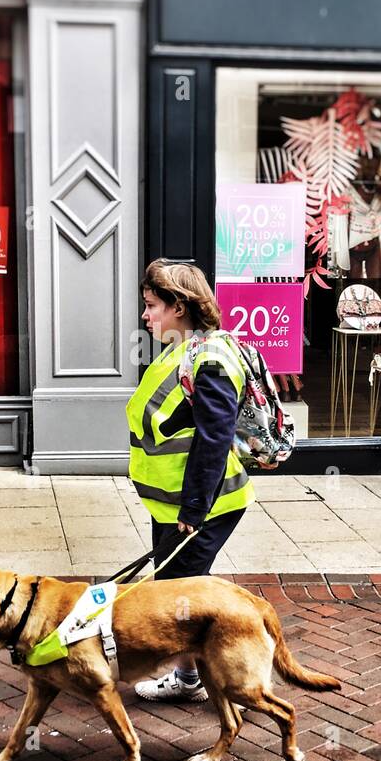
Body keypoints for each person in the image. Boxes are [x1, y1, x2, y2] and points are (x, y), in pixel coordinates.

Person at [128, 259, 255, 703]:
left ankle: (232, 682)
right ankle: (194, 679)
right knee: (177, 591)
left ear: (178, 306)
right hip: (174, 504)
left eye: (151, 306)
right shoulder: (183, 349)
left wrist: (194, 512)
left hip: (202, 506)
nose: (145, 316)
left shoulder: (210, 359)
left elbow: (214, 439)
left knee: (183, 598)